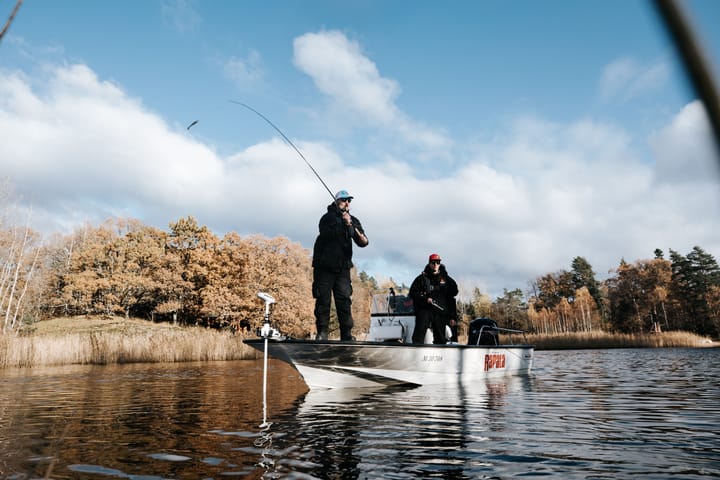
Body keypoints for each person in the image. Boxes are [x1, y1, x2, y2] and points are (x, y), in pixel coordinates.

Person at [312, 189, 369, 341]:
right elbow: (325, 234)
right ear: (337, 201)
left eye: (349, 200)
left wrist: (351, 225)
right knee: (323, 300)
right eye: (344, 200)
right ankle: (322, 333)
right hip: (324, 267)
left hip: (343, 268)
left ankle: (346, 334)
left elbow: (363, 242)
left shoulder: (353, 220)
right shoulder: (327, 218)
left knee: (344, 300)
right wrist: (343, 224)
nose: (348, 203)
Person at [409, 253, 459, 344]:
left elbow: (451, 298)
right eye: (433, 262)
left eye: (437, 262)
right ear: (429, 263)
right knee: (418, 335)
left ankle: (440, 355)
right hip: (425, 309)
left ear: (440, 263)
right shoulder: (422, 279)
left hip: (440, 311)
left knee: (440, 338)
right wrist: (424, 299)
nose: (435, 264)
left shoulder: (447, 280)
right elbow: (412, 293)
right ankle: (416, 351)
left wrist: (453, 317)